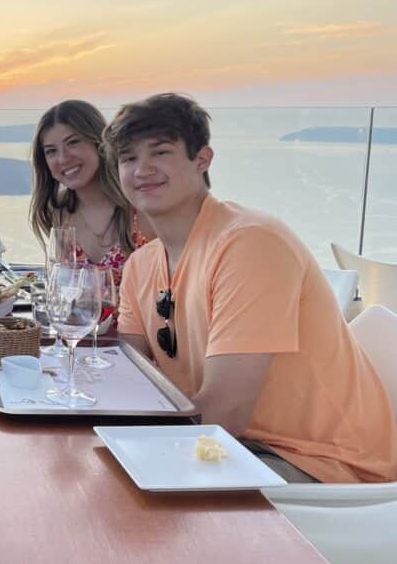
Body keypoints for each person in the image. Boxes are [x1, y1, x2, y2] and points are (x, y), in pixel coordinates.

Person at [106, 93, 397, 483]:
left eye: (160, 152)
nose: (142, 169)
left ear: (202, 159)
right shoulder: (141, 265)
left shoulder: (250, 243)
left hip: (317, 462)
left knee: (118, 492)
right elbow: (126, 374)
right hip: (229, 445)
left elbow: (225, 412)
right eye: (128, 158)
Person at [29, 99, 151, 284]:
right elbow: (65, 291)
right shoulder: (59, 212)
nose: (62, 158)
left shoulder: (141, 204)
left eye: (73, 142)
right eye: (51, 151)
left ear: (99, 142)